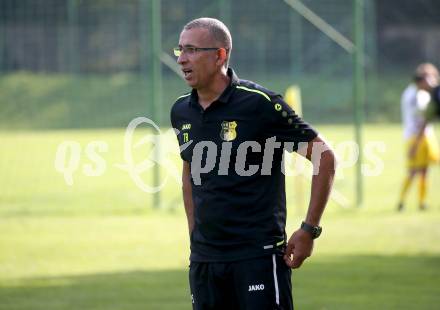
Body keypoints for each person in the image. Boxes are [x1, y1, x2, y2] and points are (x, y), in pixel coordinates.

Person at [170, 17, 336, 310]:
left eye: (192, 50)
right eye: (180, 50)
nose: (183, 58)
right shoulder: (181, 111)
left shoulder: (260, 104)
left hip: (257, 257)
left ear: (220, 55)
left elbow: (324, 157)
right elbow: (189, 174)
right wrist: (196, 236)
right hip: (205, 261)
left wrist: (309, 230)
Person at [397, 63, 440, 211]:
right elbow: (421, 118)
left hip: (425, 135)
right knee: (413, 171)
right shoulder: (414, 95)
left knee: (424, 171)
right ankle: (401, 201)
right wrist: (415, 144)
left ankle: (422, 202)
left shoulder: (422, 93)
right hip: (415, 136)